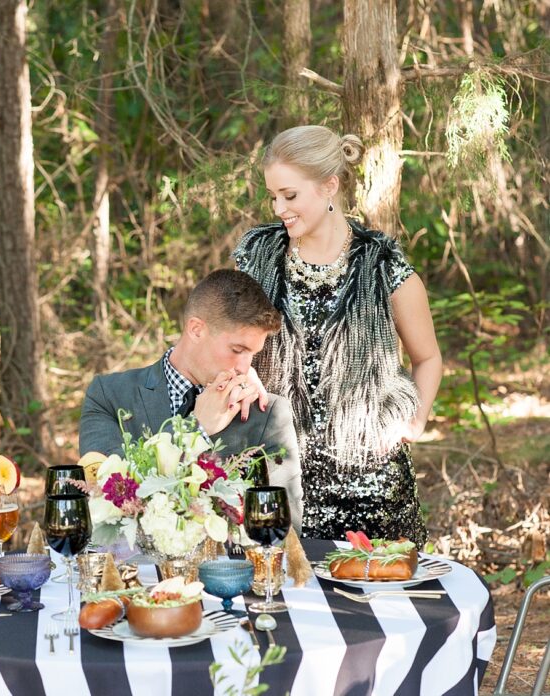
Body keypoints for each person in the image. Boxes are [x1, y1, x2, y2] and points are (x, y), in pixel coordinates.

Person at [233, 124, 442, 545]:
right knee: (282, 598)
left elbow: (428, 358)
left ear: (330, 186)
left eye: (290, 196)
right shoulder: (256, 258)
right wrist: (243, 370)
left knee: (378, 600)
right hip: (279, 476)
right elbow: (231, 340)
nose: (279, 208)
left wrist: (414, 420)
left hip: (370, 485)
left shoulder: (383, 267)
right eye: (273, 196)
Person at [79, 269, 304, 527]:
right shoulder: (109, 396)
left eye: (252, 353)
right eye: (237, 349)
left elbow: (286, 531)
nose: (244, 366)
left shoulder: (267, 412)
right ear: (196, 329)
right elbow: (110, 500)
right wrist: (195, 431)